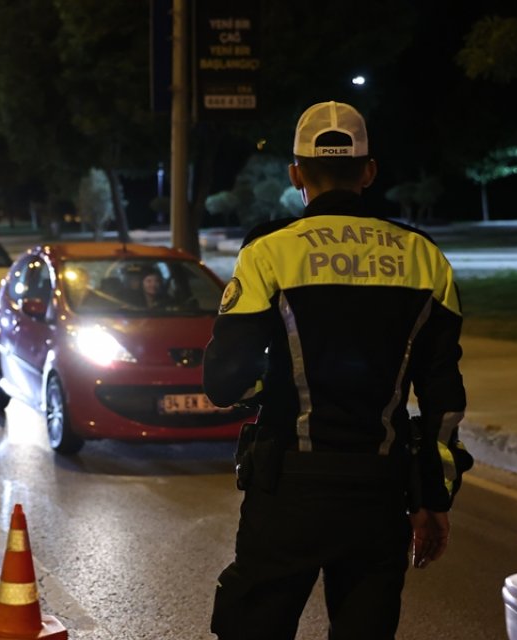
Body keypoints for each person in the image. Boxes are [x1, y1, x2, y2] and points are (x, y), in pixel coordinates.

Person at [202, 101, 472, 638]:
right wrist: (432, 500)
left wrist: (271, 383)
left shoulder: (267, 252)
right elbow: (443, 401)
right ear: (369, 170)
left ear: (296, 173)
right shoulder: (425, 258)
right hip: (378, 495)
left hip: (288, 491)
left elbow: (224, 381)